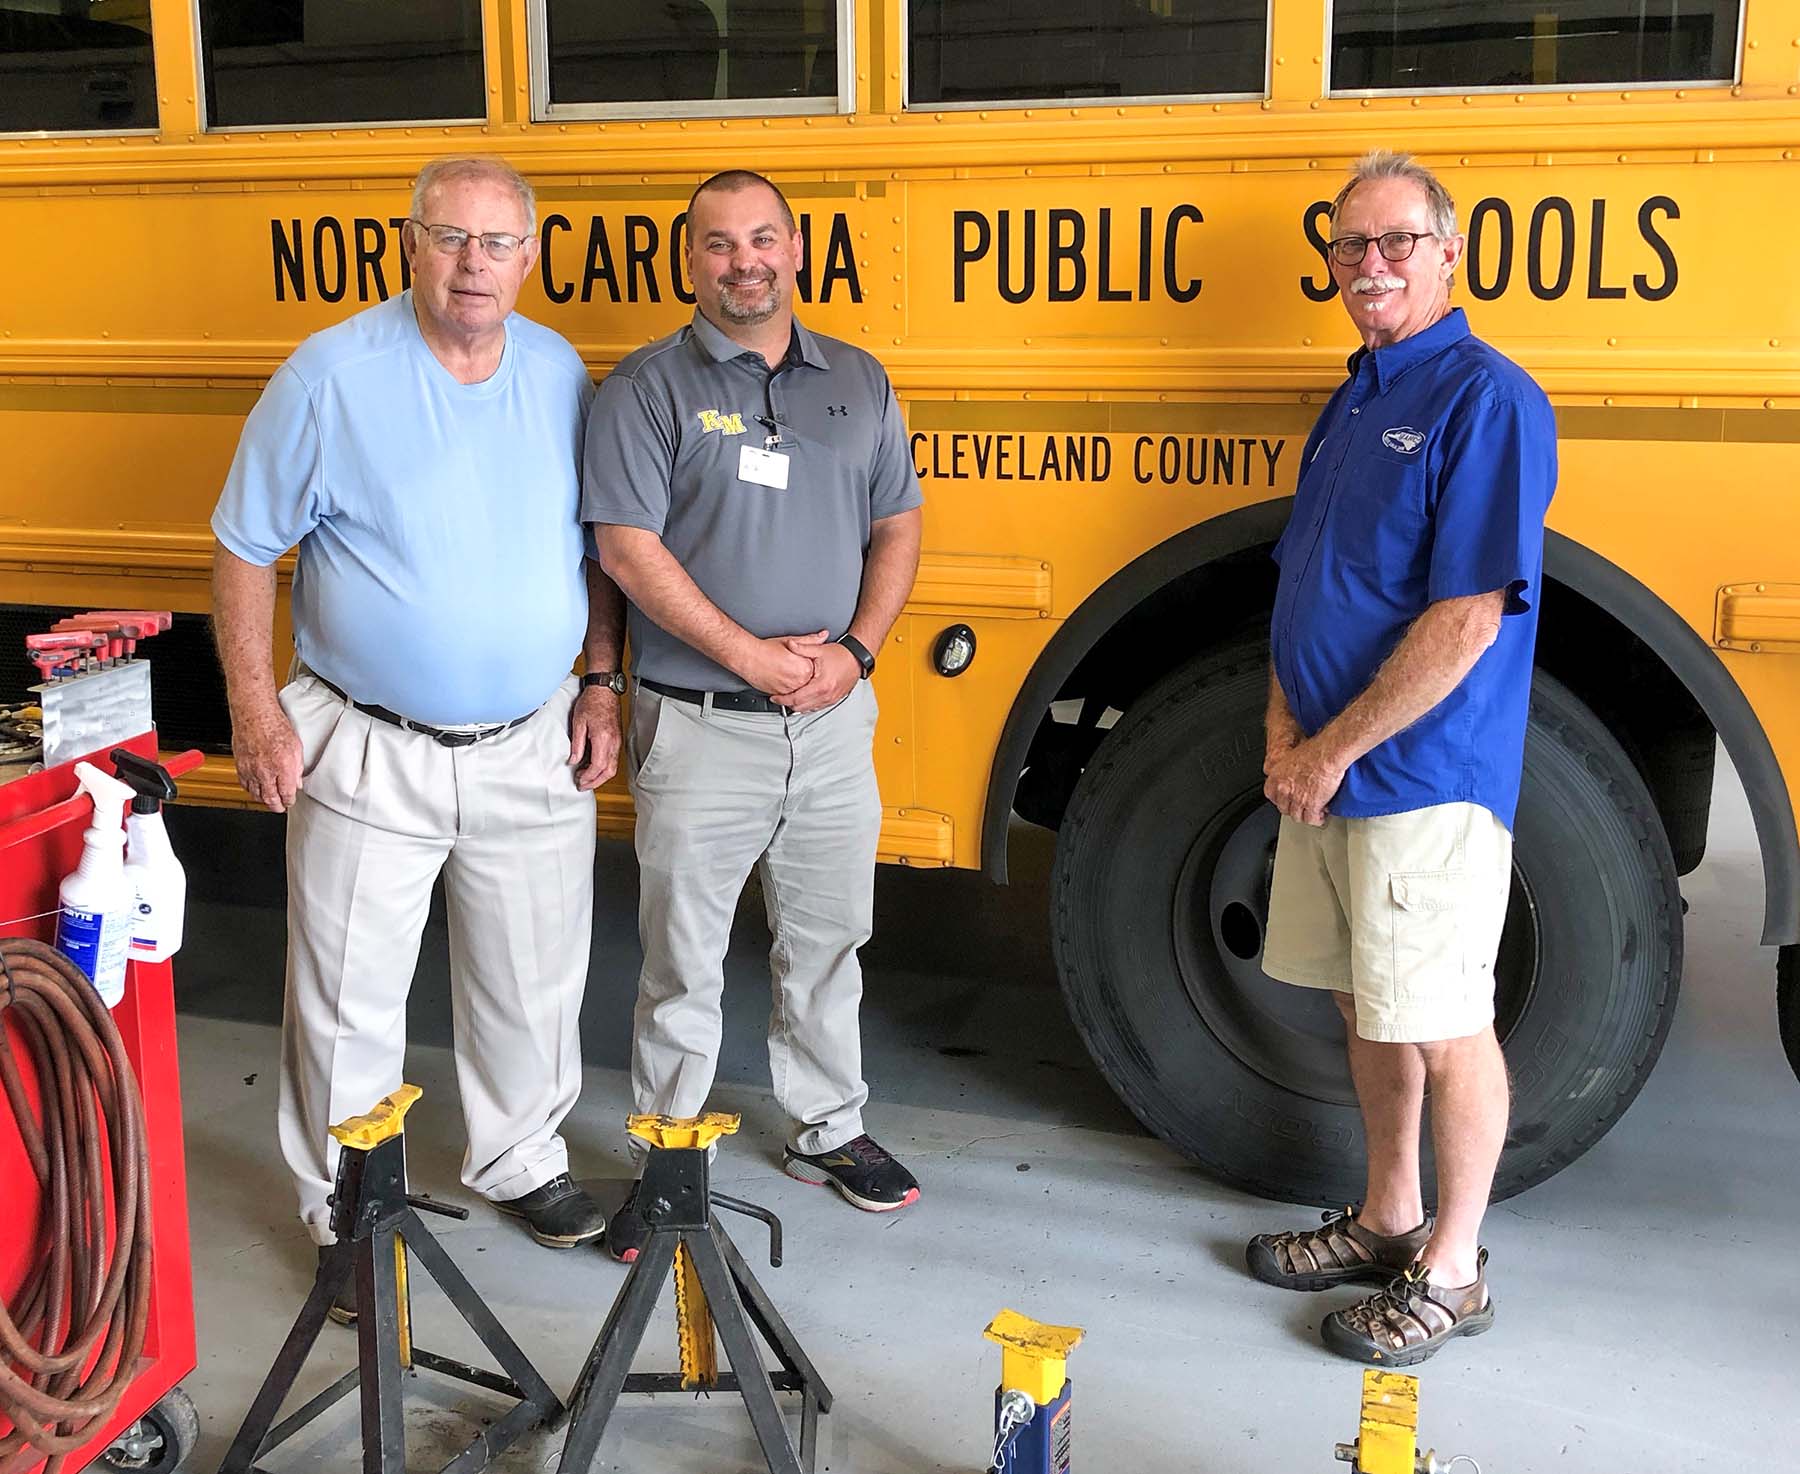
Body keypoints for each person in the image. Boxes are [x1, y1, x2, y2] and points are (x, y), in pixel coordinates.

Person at [211, 156, 625, 1273]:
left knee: (536, 976)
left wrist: (600, 679)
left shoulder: (557, 372)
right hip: (368, 742)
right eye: (449, 239)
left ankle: (520, 1158)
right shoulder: (328, 376)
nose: (472, 266)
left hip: (534, 740)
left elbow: (595, 549)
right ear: (410, 244)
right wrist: (257, 711)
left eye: (497, 245)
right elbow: (247, 546)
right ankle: (345, 1211)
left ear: (531, 259)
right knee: (347, 994)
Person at [1245, 150, 1557, 1365]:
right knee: (1365, 1000)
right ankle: (1387, 1216)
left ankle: (1456, 1266)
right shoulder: (1359, 392)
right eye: (1347, 247)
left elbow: (1468, 615)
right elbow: (1306, 587)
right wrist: (1283, 732)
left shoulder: (1487, 398)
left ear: (1450, 253)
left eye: (1394, 244)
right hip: (1326, 768)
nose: (1368, 266)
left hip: (1422, 777)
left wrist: (1329, 750)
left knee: (1442, 1021)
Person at [581, 169, 924, 1262]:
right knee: (683, 957)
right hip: (697, 720)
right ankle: (671, 1158)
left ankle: (829, 1125)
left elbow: (901, 526)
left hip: (830, 725)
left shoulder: (858, 383)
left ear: (794, 246)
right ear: (692, 262)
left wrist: (857, 654)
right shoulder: (644, 389)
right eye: (719, 244)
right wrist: (751, 658)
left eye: (762, 238)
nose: (744, 262)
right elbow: (625, 547)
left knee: (830, 939)